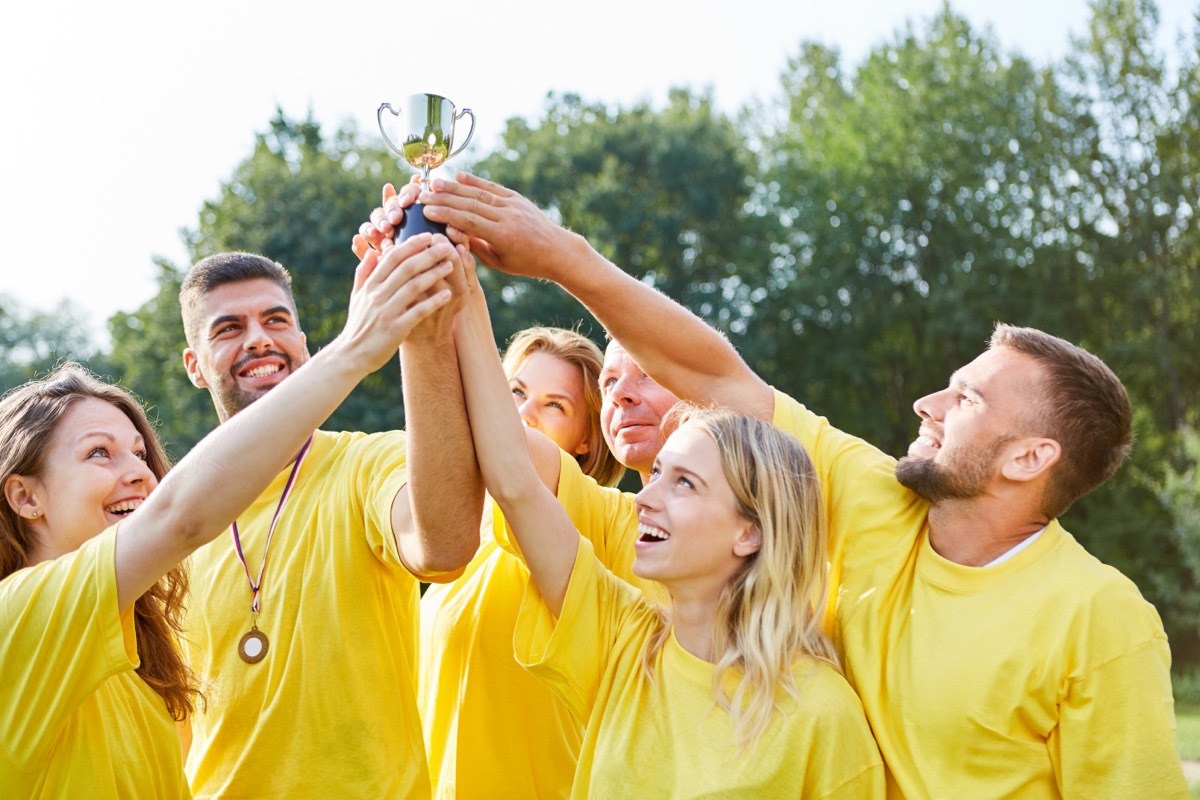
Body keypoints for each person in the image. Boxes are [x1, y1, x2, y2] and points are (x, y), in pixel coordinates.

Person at [420, 173, 1190, 798]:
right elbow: (721, 377)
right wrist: (547, 256)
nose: (928, 403)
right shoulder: (880, 502)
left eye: (967, 399)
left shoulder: (1100, 620)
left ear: (1028, 460)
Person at [0, 242, 454, 799]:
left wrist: (430, 337)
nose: (140, 475)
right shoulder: (20, 618)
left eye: (141, 454)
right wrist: (360, 344)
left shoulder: (131, 660)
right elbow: (183, 517)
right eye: (99, 453)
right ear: (24, 497)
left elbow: (443, 546)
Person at [449, 256, 885, 798]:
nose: (644, 499)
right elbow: (514, 478)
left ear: (750, 531)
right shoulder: (624, 641)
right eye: (656, 474)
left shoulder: (824, 717)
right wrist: (458, 288)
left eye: (684, 483)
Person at [356, 186, 644, 798]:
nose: (526, 414)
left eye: (554, 406)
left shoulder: (590, 523)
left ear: (587, 441)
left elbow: (510, 456)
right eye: (514, 393)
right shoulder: (449, 546)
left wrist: (453, 295)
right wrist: (414, 274)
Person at [178, 233, 483, 799]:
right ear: (195, 366)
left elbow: (443, 548)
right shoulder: (175, 521)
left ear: (303, 340)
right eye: (229, 328)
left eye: (275, 320)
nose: (259, 340)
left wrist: (420, 340)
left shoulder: (369, 463)